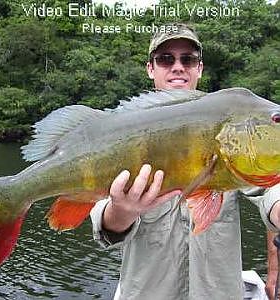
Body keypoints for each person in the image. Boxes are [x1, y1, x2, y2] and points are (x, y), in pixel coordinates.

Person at [90, 23, 280, 300]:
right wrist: (122, 212)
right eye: (166, 59)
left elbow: (269, 189)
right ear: (150, 69)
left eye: (187, 59)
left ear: (199, 68)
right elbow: (104, 225)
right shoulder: (124, 132)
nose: (177, 66)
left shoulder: (230, 124)